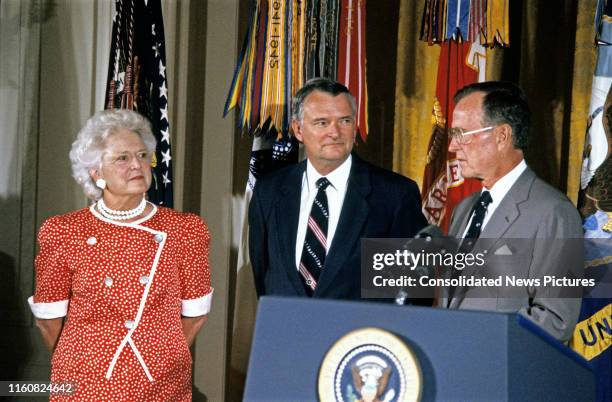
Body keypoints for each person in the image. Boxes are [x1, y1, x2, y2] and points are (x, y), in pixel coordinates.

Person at [27, 109, 213, 401]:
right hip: (84, 384)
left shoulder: (185, 229)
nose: (137, 165)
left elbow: (196, 314)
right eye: (122, 158)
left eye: (142, 155)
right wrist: (84, 362)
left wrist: (161, 355)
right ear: (96, 173)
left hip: (162, 384)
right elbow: (48, 321)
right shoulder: (63, 231)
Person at [248, 78, 427, 299]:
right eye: (322, 122)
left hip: (359, 333)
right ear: (298, 130)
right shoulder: (269, 191)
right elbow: (263, 274)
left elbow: (412, 292)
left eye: (345, 121)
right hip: (287, 329)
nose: (335, 132)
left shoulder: (394, 196)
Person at [439, 81, 583, 342]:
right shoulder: (464, 209)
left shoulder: (554, 213)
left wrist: (475, 341)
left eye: (461, 134)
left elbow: (555, 319)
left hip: (502, 371)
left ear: (502, 135)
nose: (452, 147)